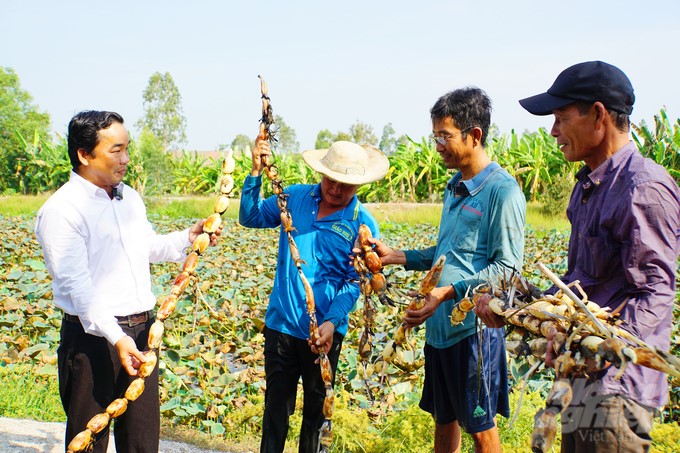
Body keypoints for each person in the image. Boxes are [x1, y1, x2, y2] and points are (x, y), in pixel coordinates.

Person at [476, 60, 680, 452]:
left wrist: (595, 348)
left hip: (616, 393)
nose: (553, 131)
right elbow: (581, 294)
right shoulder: (589, 185)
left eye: (561, 118)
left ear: (599, 115)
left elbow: (654, 294)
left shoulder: (643, 188)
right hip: (581, 383)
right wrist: (517, 306)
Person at [34, 110, 221, 452]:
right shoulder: (62, 211)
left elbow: (147, 246)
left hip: (143, 333)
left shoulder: (130, 197)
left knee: (142, 443)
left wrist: (188, 237)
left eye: (127, 149)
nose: (126, 159)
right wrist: (118, 339)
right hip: (94, 341)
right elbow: (80, 289)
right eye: (116, 150)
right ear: (84, 154)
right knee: (88, 442)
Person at [369, 87, 526, 453]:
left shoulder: (502, 192)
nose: (437, 145)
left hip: (473, 334)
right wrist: (396, 255)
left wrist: (448, 293)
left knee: (481, 429)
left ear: (475, 136)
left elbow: (508, 270)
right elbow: (445, 254)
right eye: (435, 136)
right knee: (443, 420)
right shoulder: (453, 186)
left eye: (445, 136)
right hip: (438, 330)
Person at [239, 134, 389, 453]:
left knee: (317, 416)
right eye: (330, 180)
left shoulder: (362, 225)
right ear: (321, 173)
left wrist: (332, 323)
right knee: (275, 411)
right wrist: (254, 172)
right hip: (281, 327)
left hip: (324, 335)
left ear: (360, 184)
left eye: (344, 185)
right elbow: (249, 217)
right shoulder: (293, 197)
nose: (335, 189)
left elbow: (354, 283)